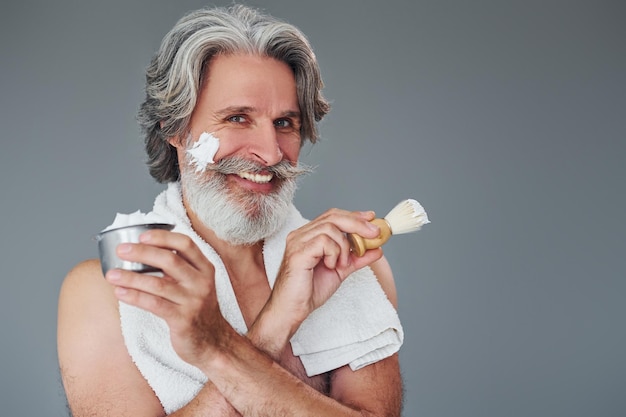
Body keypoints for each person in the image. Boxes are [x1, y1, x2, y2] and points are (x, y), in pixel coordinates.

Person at [58, 5, 404, 416]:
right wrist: (274, 325)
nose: (270, 152)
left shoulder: (350, 265)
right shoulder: (108, 293)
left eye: (285, 123)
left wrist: (218, 349)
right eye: (238, 118)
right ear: (176, 129)